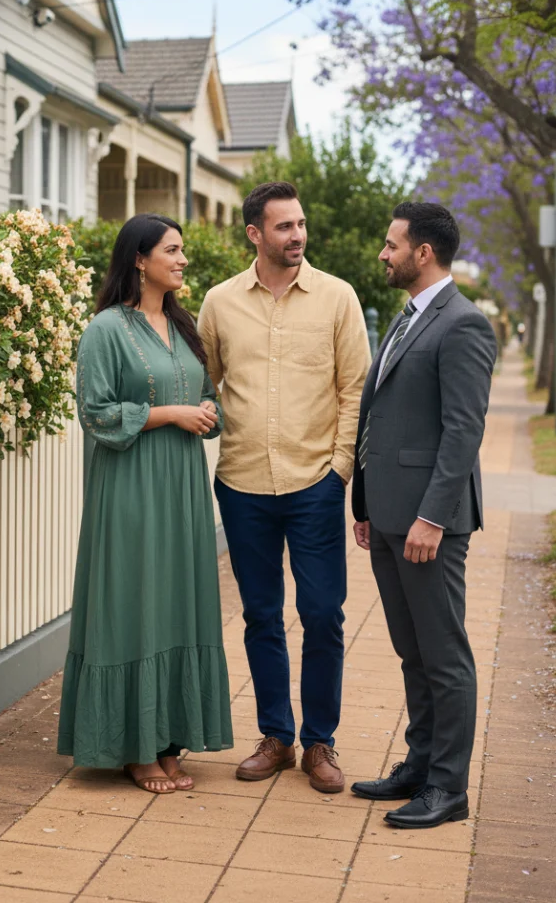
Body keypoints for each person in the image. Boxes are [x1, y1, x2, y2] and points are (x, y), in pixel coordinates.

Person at [198, 181, 369, 794]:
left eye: (300, 225)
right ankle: (276, 735)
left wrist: (340, 469)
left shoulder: (338, 298)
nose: (296, 236)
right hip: (242, 484)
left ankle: (320, 742)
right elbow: (206, 383)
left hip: (314, 484)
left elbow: (356, 389)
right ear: (254, 234)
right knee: (260, 614)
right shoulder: (219, 303)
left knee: (322, 614)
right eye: (283, 227)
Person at [58, 214, 233, 794]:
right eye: (172, 250)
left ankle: (166, 739)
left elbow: (205, 398)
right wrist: (170, 415)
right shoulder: (105, 329)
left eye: (183, 251)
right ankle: (132, 746)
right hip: (130, 486)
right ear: (139, 258)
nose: (183, 260)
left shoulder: (182, 326)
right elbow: (96, 412)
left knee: (176, 600)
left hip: (181, 487)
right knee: (133, 599)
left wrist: (205, 414)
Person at [350, 202, 497, 828]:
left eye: (391, 245)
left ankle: (448, 788)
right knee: (412, 652)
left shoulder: (464, 324)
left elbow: (463, 432)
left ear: (423, 253)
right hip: (386, 515)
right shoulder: (409, 317)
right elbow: (380, 414)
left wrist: (432, 518)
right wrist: (362, 503)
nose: (384, 254)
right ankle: (419, 764)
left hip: (427, 525)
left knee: (444, 655)